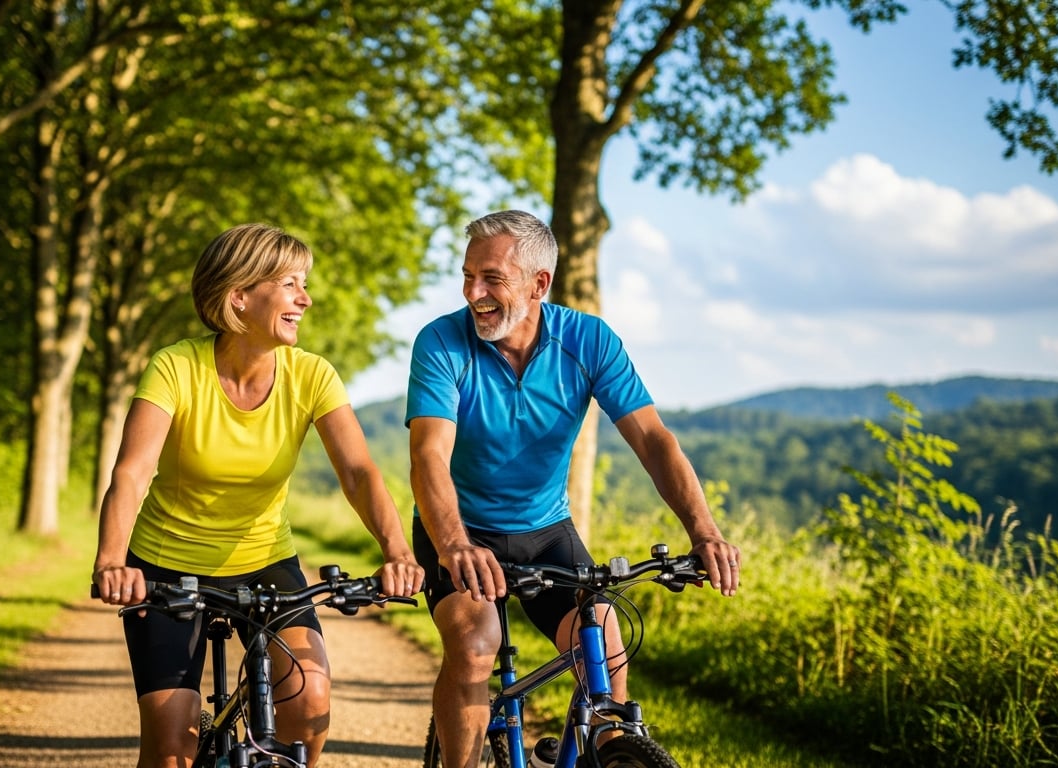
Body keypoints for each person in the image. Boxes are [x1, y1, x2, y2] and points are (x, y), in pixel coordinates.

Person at [406, 210, 740, 768]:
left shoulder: (588, 340)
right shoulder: (442, 341)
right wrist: (454, 544)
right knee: (475, 644)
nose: (473, 292)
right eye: (467, 276)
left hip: (546, 532)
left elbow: (653, 440)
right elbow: (429, 455)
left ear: (540, 284)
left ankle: (611, 756)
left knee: (606, 658)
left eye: (492, 278)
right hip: (459, 530)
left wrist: (703, 530)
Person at [92, 222, 423, 768]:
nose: (306, 298)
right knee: (172, 745)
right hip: (165, 566)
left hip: (266, 560)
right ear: (239, 296)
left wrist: (397, 551)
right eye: (290, 283)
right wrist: (111, 560)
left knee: (310, 701)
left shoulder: (312, 375)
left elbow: (359, 472)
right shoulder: (176, 367)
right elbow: (133, 470)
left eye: (305, 283)